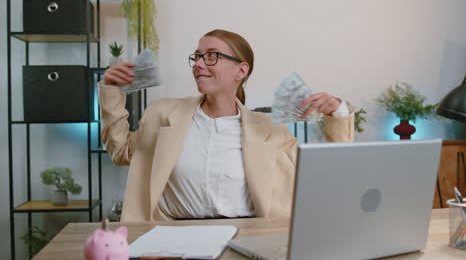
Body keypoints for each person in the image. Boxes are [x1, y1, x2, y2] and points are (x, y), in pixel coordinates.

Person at [99, 29, 354, 222]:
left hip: (249, 236)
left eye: (211, 56)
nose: (199, 64)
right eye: (197, 56)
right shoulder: (161, 114)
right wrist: (111, 89)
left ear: (241, 71)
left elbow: (325, 172)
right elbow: (120, 150)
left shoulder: (269, 130)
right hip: (170, 240)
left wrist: (338, 112)